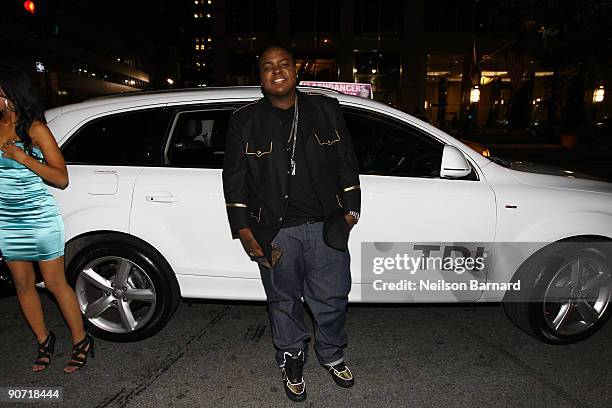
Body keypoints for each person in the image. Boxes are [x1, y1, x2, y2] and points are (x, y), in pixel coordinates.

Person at [222, 46, 361, 402]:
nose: (276, 71)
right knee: (283, 301)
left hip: (326, 226)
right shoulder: (244, 120)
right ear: (261, 76)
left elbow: (347, 160)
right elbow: (234, 179)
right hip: (274, 229)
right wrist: (244, 231)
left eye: (283, 64)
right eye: (267, 67)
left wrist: (351, 212)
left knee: (332, 299)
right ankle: (291, 358)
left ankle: (331, 354)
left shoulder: (325, 109)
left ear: (295, 71)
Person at [0, 65, 94, 373]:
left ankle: (81, 340)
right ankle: (44, 339)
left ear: (10, 95)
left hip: (39, 218)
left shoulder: (36, 129)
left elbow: (61, 177)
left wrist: (23, 158)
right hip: (7, 220)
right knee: (23, 283)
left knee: (55, 283)